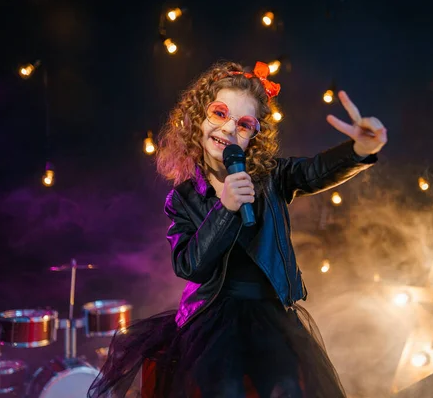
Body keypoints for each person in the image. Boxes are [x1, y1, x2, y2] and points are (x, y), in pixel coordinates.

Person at [88, 60, 387, 398]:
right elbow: (190, 265)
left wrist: (361, 150)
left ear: (253, 137)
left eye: (244, 124)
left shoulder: (272, 178)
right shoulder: (183, 198)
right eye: (219, 114)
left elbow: (315, 171)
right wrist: (225, 208)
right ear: (197, 120)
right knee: (225, 389)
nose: (229, 129)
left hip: (269, 314)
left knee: (288, 388)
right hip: (212, 318)